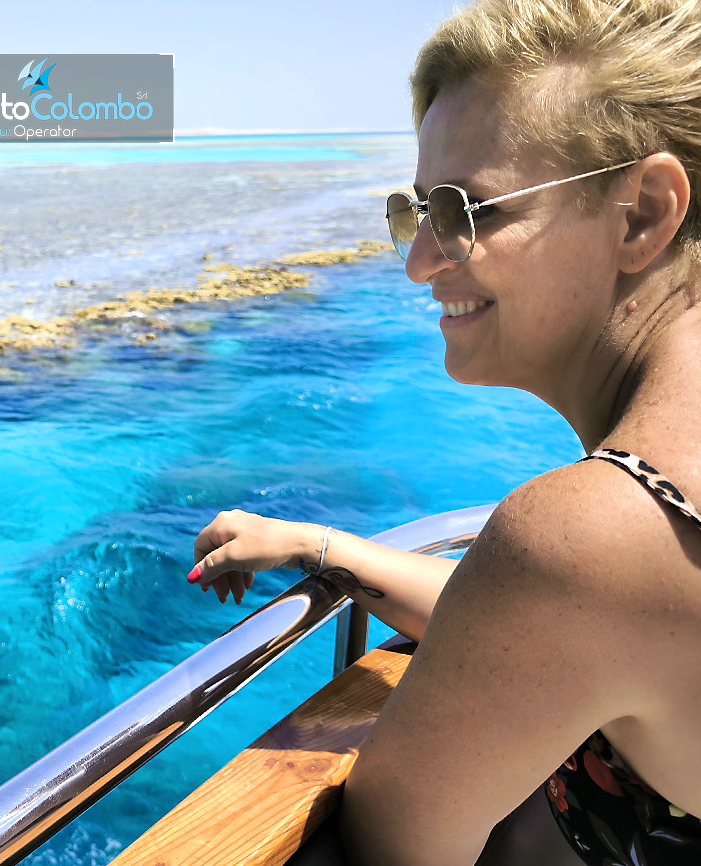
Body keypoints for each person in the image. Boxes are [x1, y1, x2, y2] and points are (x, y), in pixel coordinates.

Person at [186, 1, 701, 863]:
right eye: (416, 209)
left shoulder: (593, 535)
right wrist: (319, 546)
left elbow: (392, 850)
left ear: (642, 214)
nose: (421, 261)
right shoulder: (616, 553)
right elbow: (549, 628)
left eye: (468, 209)